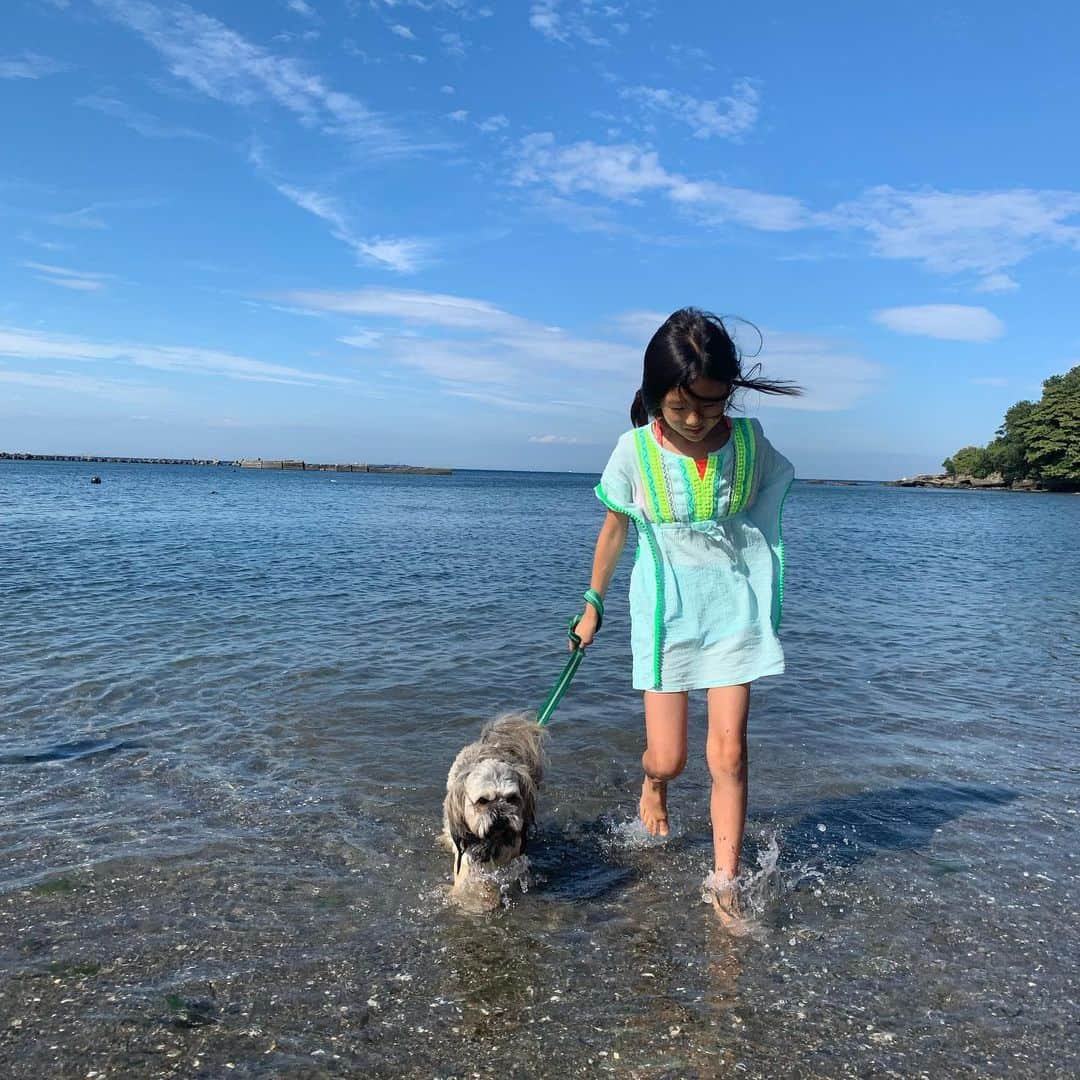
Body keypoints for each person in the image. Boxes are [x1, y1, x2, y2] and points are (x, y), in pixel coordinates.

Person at [573, 308, 799, 927]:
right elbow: (616, 528)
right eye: (680, 408)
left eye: (711, 405)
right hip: (665, 611)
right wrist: (592, 604)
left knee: (728, 753)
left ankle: (726, 877)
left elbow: (767, 498)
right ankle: (654, 786)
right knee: (668, 757)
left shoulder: (750, 442)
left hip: (733, 607)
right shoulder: (634, 450)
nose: (697, 421)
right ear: (652, 397)